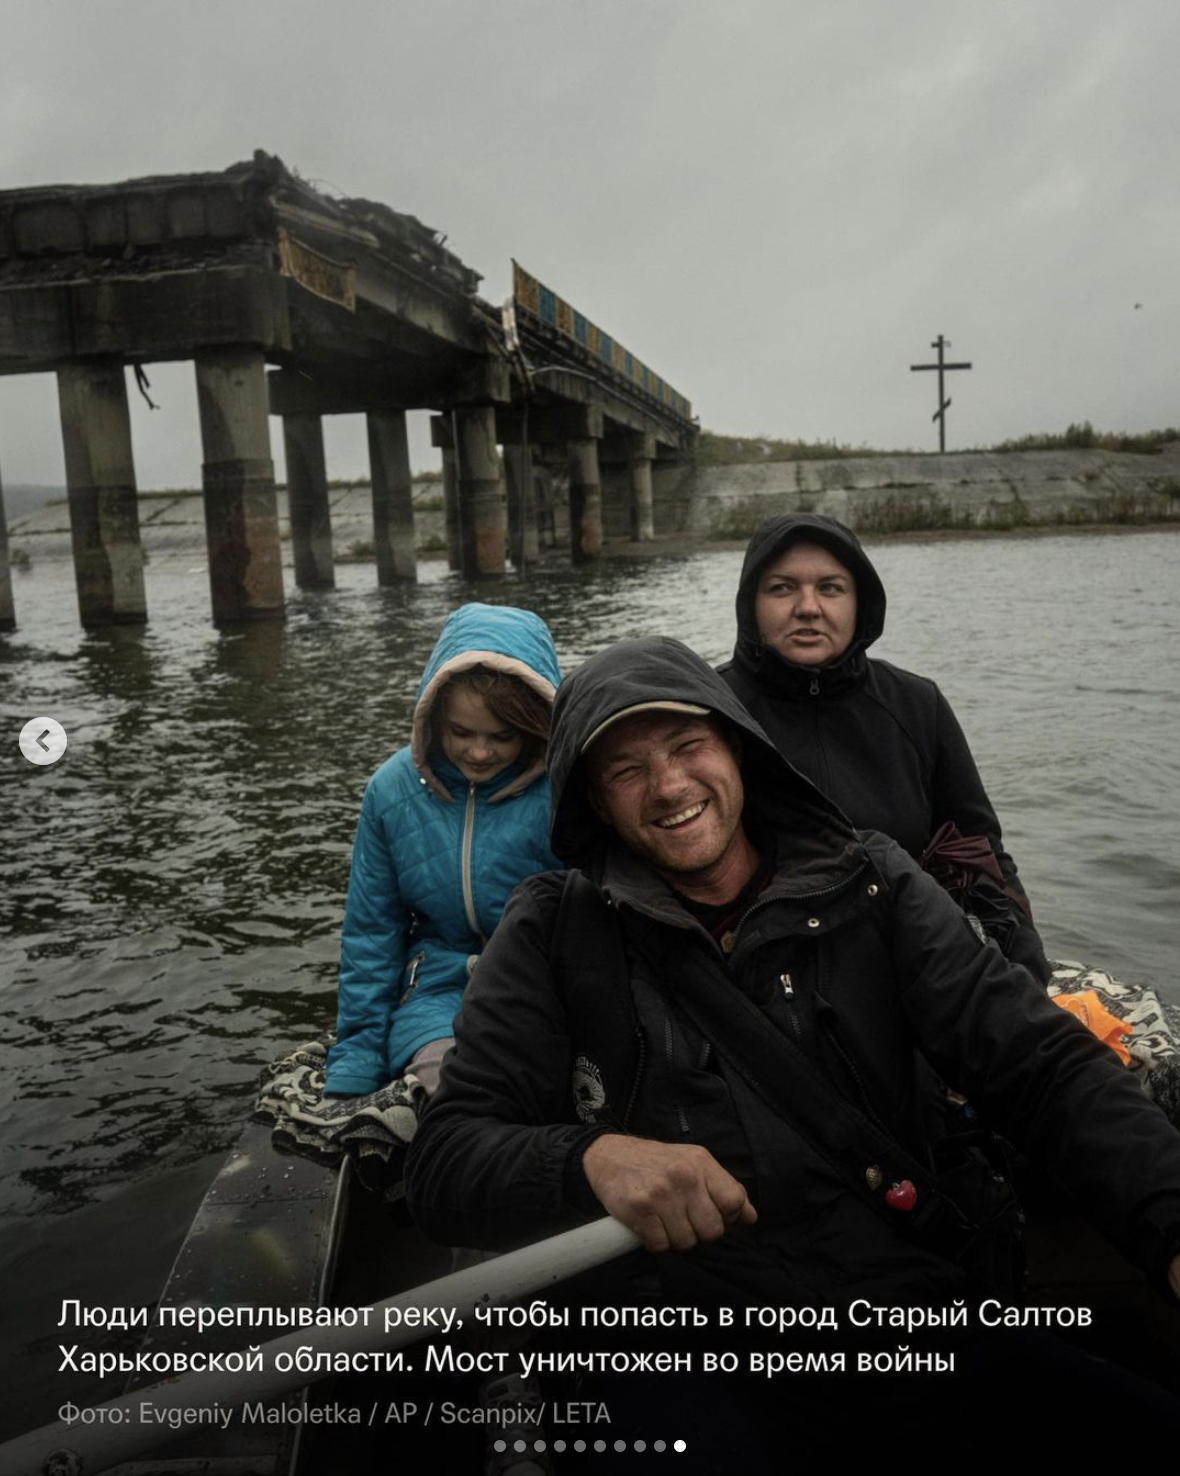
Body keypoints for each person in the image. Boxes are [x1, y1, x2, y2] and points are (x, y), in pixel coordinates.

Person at [405, 637, 1180, 1459]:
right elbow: (446, 1164)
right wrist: (592, 1158)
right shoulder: (553, 932)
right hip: (673, 1343)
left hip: (900, 1310)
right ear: (593, 802)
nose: (669, 786)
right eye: (626, 770)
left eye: (688, 746)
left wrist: (1169, 1220)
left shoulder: (874, 885)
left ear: (738, 746)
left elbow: (1040, 1067)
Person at [718, 513, 1050, 979]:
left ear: (861, 602)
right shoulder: (712, 710)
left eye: (831, 588)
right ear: (750, 603)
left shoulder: (917, 704)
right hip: (769, 981)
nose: (808, 607)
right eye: (782, 588)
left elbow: (980, 852)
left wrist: (1025, 975)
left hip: (909, 965)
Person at [323, 602, 561, 1098]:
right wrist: (356, 1061)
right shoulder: (390, 791)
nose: (478, 752)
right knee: (446, 1088)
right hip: (437, 990)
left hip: (543, 985)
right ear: (433, 718)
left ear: (536, 725)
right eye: (460, 732)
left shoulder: (564, 791)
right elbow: (372, 933)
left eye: (502, 736)